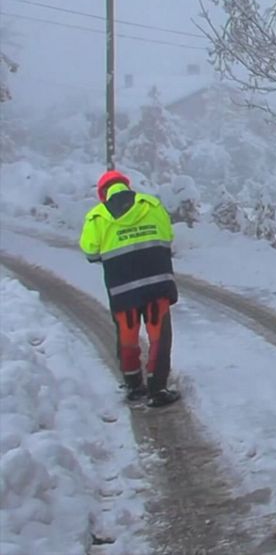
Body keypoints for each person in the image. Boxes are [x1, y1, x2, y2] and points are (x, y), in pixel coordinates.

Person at [79, 170, 180, 407]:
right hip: (157, 282)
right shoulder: (152, 205)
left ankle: (134, 386)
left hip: (123, 289)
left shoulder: (97, 216)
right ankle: (158, 389)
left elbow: (90, 252)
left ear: (103, 194)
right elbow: (167, 237)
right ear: (126, 186)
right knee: (159, 336)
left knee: (127, 335)